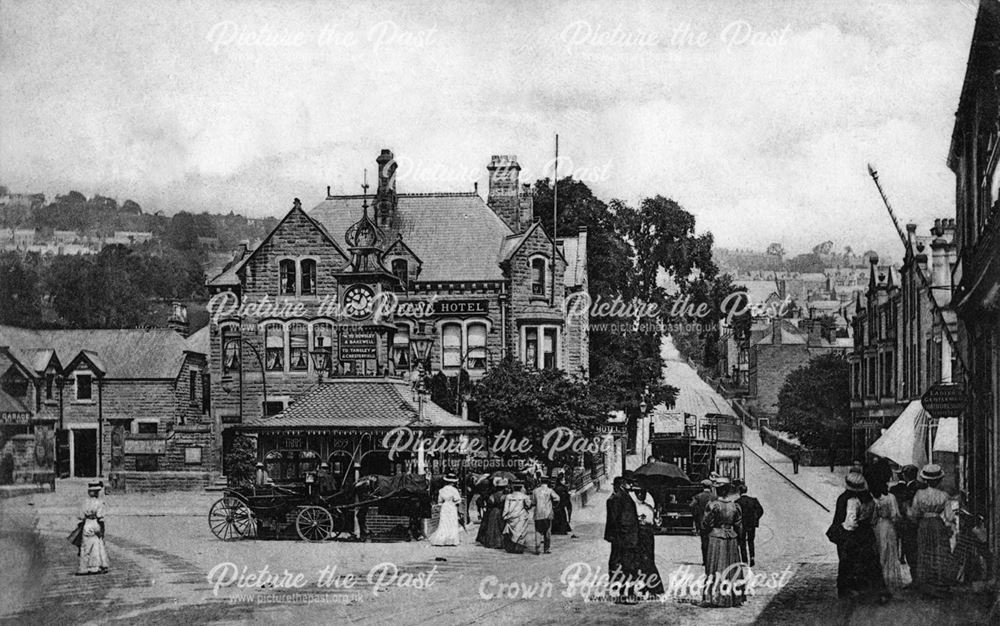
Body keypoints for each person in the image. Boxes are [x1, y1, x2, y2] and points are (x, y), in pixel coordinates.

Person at [830, 472, 888, 601]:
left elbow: (850, 523)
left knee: (849, 562)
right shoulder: (870, 499)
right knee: (868, 561)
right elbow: (873, 519)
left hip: (853, 535)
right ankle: (869, 590)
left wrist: (843, 530)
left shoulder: (851, 500)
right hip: (867, 533)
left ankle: (849, 591)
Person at [909, 464, 955, 595]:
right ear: (939, 480)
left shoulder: (919, 494)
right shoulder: (944, 495)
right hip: (937, 524)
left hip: (924, 524)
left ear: (926, 480)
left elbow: (914, 513)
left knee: (924, 551)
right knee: (939, 552)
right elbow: (949, 516)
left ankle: (926, 584)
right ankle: (939, 583)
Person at [702, 478, 744, 607]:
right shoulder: (734, 506)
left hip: (716, 537)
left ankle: (715, 596)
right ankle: (733, 597)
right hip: (731, 537)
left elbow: (706, 523)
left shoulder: (713, 505)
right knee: (731, 565)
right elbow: (739, 525)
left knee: (715, 565)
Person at [604, 472, 640, 603]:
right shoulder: (618, 498)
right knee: (626, 567)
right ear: (623, 483)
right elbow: (616, 520)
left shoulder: (622, 496)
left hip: (626, 538)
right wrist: (623, 536)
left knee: (627, 567)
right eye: (630, 482)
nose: (632, 485)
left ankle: (626, 593)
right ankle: (624, 594)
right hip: (625, 539)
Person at [631, 483, 663, 598]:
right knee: (638, 561)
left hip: (648, 536)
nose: (641, 495)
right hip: (638, 535)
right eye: (639, 493)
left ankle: (652, 586)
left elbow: (655, 524)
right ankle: (642, 585)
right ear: (635, 493)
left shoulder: (649, 507)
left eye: (643, 493)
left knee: (648, 560)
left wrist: (657, 518)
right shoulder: (633, 507)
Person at [889, 465, 919, 579]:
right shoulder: (921, 487)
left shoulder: (900, 489)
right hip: (917, 522)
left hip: (905, 522)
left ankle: (915, 576)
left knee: (909, 549)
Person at [873, 482, 903, 591]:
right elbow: (895, 515)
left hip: (878, 527)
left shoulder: (875, 498)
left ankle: (881, 580)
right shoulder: (891, 497)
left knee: (880, 551)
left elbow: (873, 517)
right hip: (889, 526)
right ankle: (889, 579)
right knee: (890, 552)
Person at [77, 481, 109, 575]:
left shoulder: (84, 502)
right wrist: (102, 530)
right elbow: (100, 516)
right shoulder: (100, 503)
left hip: (87, 523)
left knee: (85, 546)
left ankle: (84, 567)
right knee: (97, 544)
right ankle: (96, 566)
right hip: (96, 523)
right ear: (97, 492)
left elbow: (80, 516)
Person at [429, 472, 463, 546]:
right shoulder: (454, 490)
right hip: (451, 506)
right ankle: (452, 539)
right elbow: (458, 500)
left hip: (444, 507)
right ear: (453, 482)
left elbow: (439, 501)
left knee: (444, 523)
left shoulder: (441, 490)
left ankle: (442, 539)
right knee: (451, 522)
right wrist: (454, 503)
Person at [690, 479, 717, 573]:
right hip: (713, 523)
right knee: (712, 541)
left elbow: (692, 506)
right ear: (710, 487)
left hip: (702, 522)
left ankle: (705, 560)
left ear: (703, 487)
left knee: (704, 541)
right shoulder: (714, 497)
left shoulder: (698, 496)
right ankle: (712, 560)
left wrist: (696, 515)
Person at [735, 481, 764, 567]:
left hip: (742, 525)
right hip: (751, 524)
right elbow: (760, 511)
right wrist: (755, 519)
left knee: (742, 542)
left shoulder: (737, 502)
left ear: (739, 492)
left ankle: (744, 560)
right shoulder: (753, 500)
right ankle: (752, 557)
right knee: (751, 541)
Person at [502, 481, 533, 554]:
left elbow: (506, 508)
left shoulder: (509, 496)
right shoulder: (525, 496)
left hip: (511, 516)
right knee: (521, 532)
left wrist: (504, 516)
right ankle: (518, 548)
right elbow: (528, 506)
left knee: (511, 532)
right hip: (521, 516)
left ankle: (511, 547)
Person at [531, 477, 560, 555]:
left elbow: (533, 502)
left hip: (538, 513)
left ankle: (537, 548)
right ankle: (546, 549)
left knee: (538, 530)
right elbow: (557, 498)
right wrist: (554, 506)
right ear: (548, 481)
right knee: (547, 531)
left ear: (540, 481)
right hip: (547, 513)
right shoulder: (550, 490)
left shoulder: (535, 491)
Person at [476, 478, 507, 549]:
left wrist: (485, 507)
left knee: (492, 527)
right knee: (500, 527)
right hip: (501, 511)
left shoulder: (492, 495)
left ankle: (491, 542)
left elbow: (490, 502)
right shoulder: (505, 496)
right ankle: (501, 542)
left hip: (493, 511)